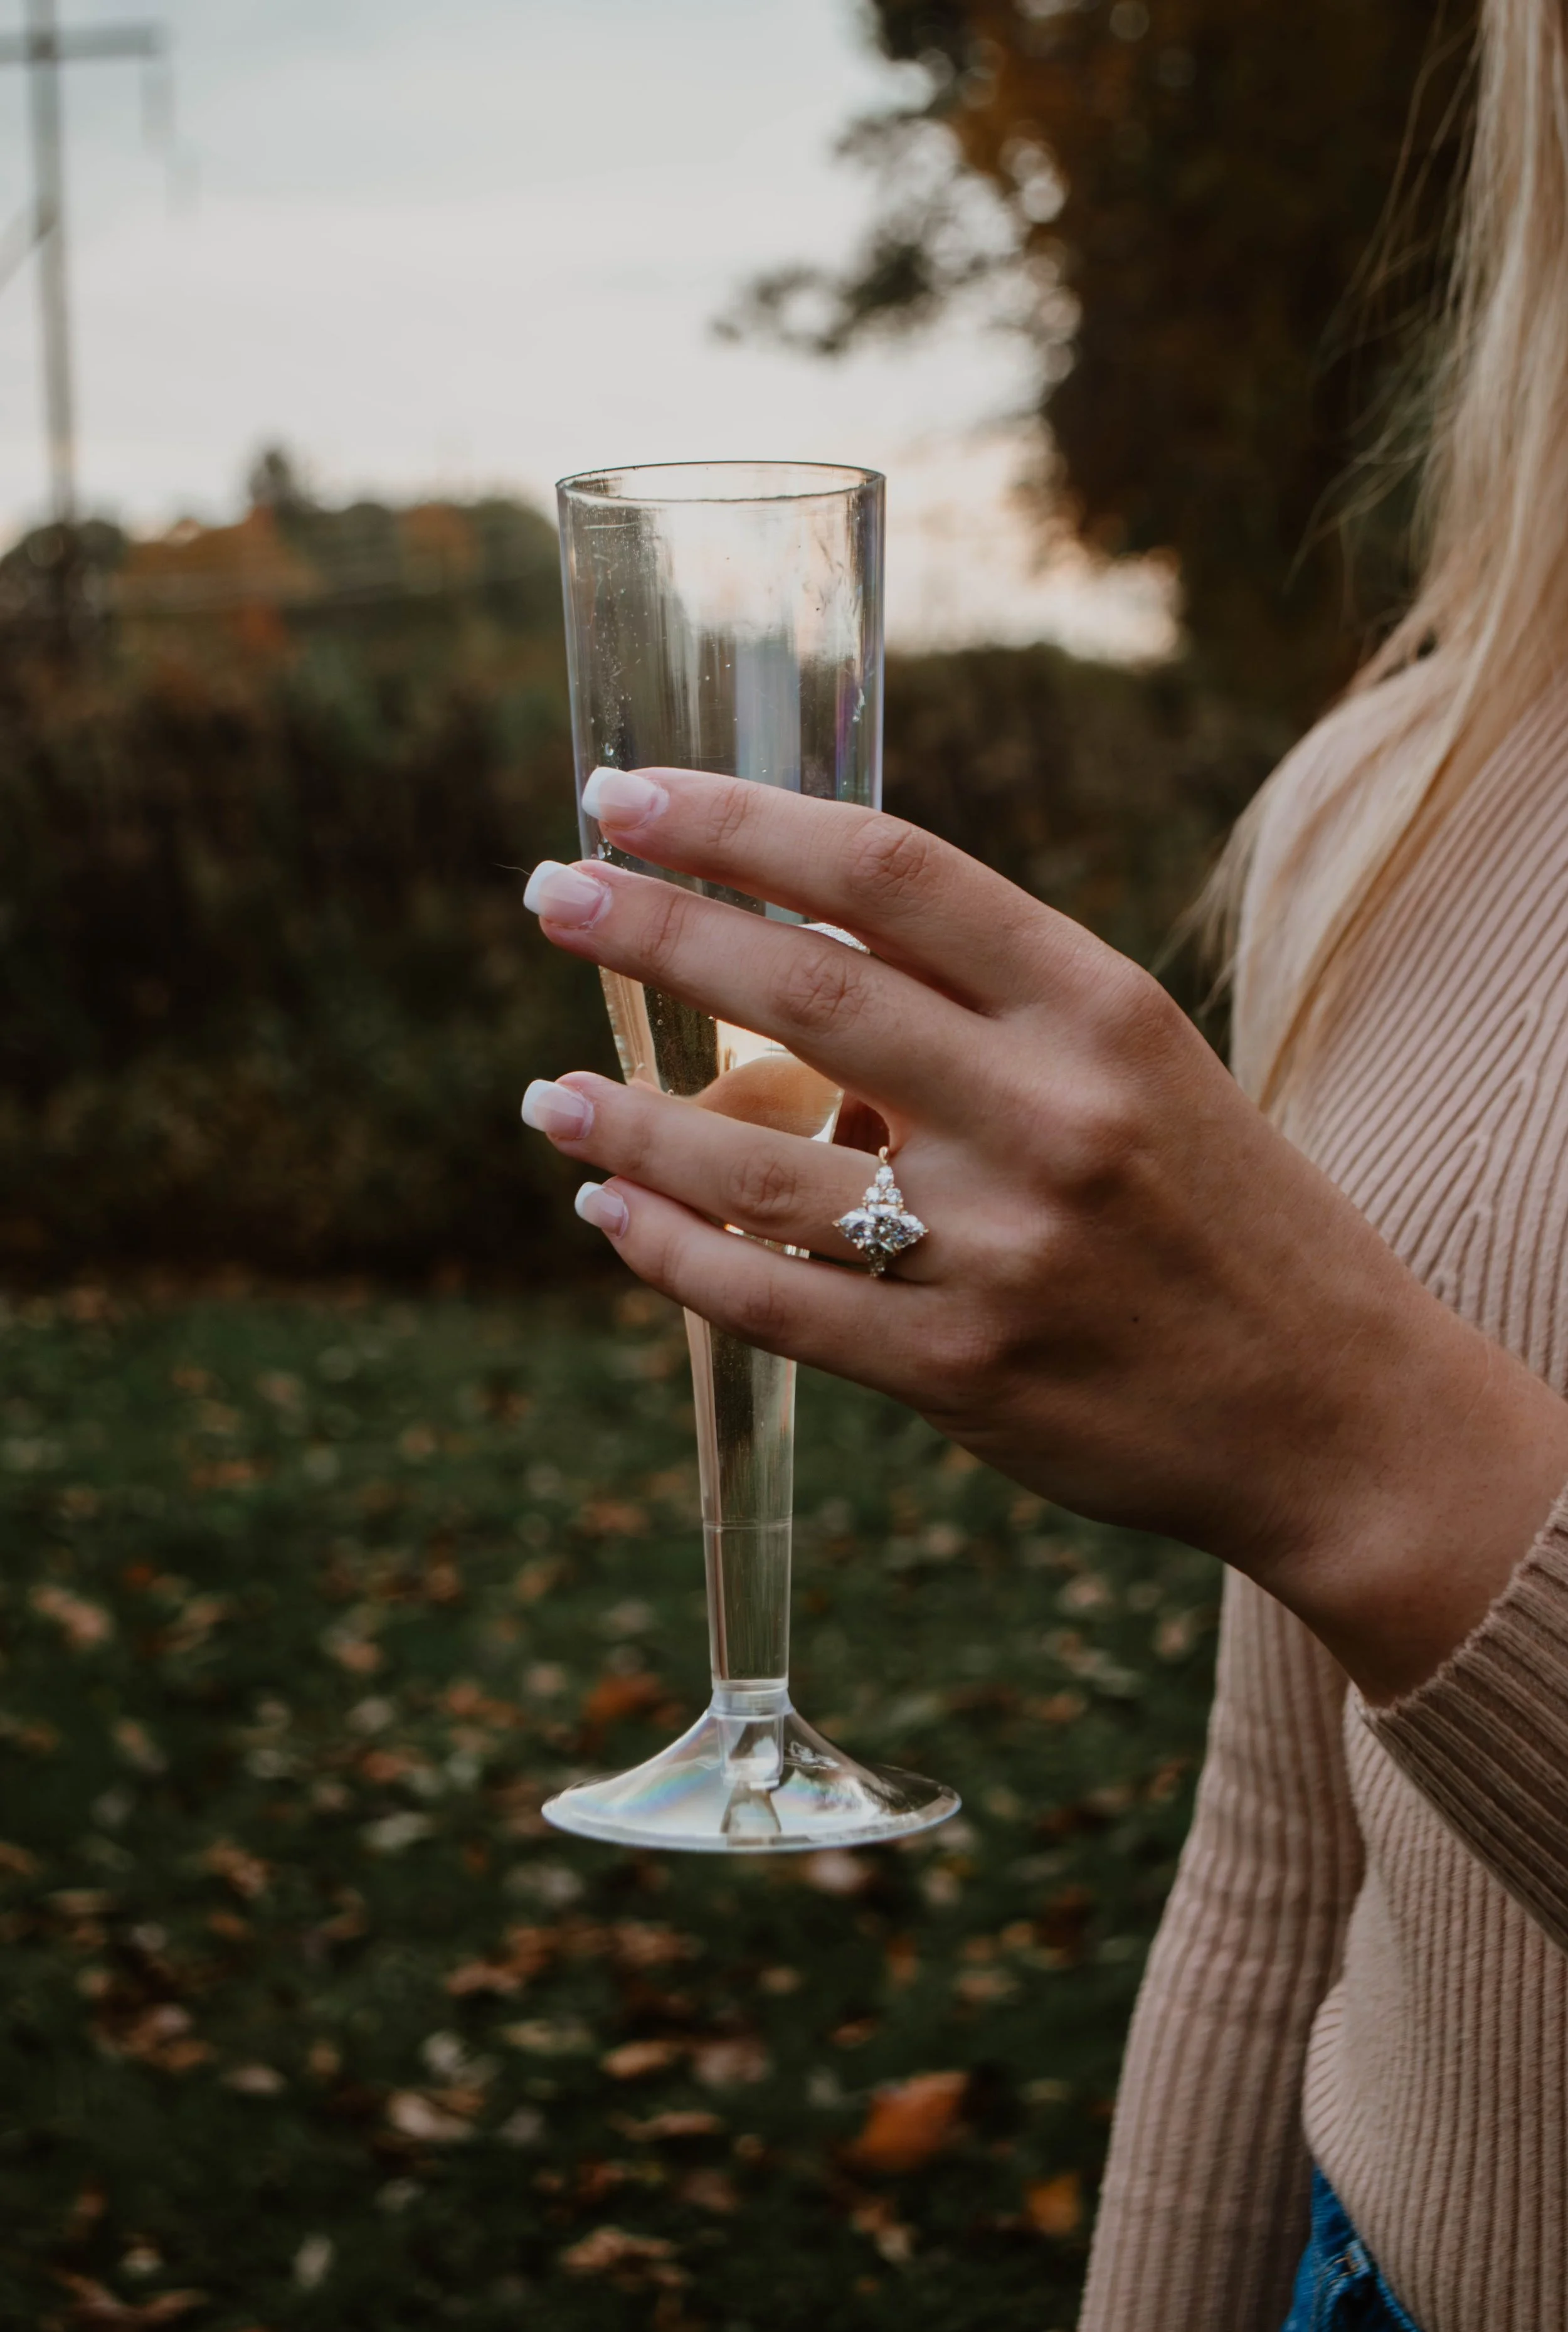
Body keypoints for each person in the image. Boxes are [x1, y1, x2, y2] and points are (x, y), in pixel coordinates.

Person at [519, 5, 1568, 2324]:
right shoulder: (1386, 790)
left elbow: (1353, 1484)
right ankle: (746, 1695)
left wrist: (1353, 1436)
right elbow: (1282, 1860)